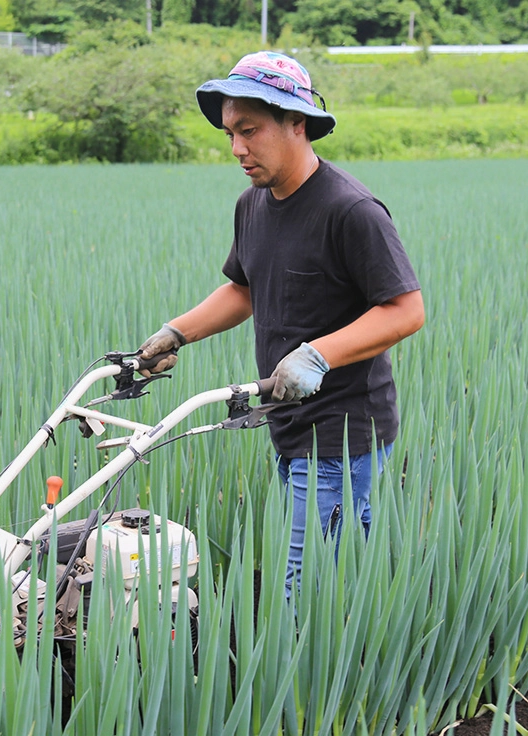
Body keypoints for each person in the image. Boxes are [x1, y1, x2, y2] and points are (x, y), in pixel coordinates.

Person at [137, 51, 425, 594]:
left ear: (298, 123)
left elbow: (406, 309)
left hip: (342, 434)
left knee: (306, 588)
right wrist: (176, 332)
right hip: (288, 421)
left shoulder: (351, 210)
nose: (238, 149)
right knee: (322, 580)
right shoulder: (254, 204)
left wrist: (319, 354)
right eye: (229, 134)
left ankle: (333, 675)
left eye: (250, 131)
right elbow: (243, 289)